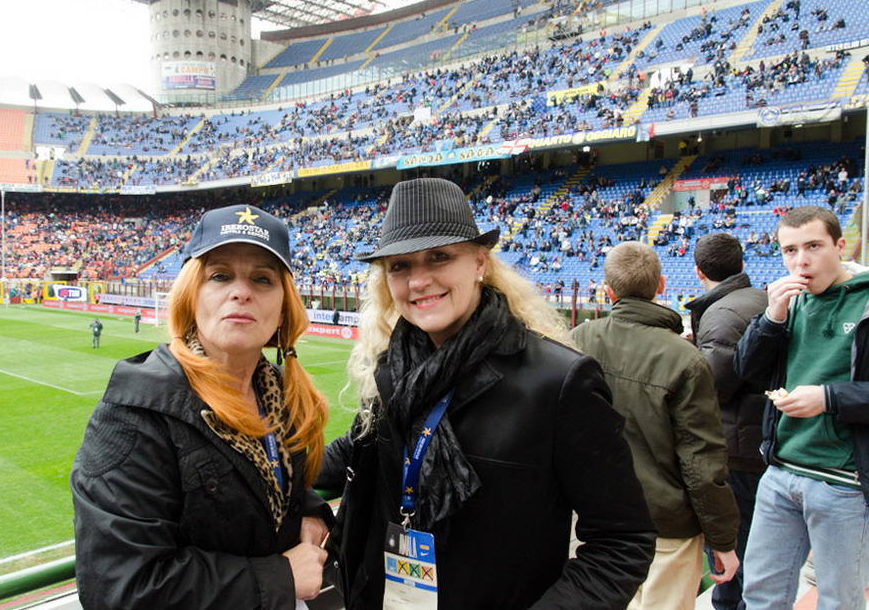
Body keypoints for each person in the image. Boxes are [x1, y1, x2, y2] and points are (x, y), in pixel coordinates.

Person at [318, 178, 655, 609]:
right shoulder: (393, 370)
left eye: (439, 257)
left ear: (479, 262)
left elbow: (622, 540)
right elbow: (353, 451)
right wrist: (292, 493)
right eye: (399, 265)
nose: (418, 280)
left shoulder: (558, 381)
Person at [71, 204, 332, 609]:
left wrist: (311, 513)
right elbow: (118, 586)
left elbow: (265, 487)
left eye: (262, 279)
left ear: (284, 307)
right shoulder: (135, 414)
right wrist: (278, 578)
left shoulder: (280, 394)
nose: (241, 291)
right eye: (220, 276)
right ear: (191, 296)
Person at [572, 241, 740, 610]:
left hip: (600, 516)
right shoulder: (686, 359)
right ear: (661, 286)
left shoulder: (578, 340)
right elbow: (702, 459)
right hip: (666, 524)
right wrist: (723, 539)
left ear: (608, 291)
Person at [734, 206, 869, 609]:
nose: (801, 261)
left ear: (840, 246)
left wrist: (828, 398)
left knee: (839, 601)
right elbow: (746, 370)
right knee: (760, 594)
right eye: (789, 251)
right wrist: (771, 319)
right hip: (780, 470)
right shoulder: (788, 302)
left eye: (813, 247)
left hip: (843, 481)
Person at [684, 233, 768, 610]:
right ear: (741, 263)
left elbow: (711, 390)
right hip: (759, 439)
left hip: (737, 448)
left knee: (734, 551)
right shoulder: (760, 298)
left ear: (699, 272)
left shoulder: (721, 315)